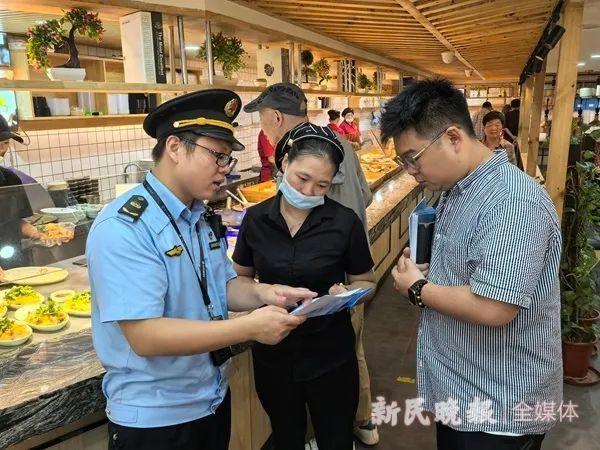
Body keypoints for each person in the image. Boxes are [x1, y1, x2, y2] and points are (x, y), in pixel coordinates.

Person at [87, 89, 316, 450]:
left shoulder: (196, 216)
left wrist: (264, 293)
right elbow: (145, 336)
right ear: (175, 147)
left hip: (208, 401)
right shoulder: (125, 226)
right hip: (156, 419)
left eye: (228, 159)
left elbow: (221, 286)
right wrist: (248, 328)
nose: (226, 170)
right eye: (218, 157)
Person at [381, 79, 562, 450]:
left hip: (498, 410)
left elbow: (494, 307)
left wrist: (418, 288)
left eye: (413, 157)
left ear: (452, 137)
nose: (411, 170)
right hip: (466, 394)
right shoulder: (458, 188)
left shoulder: (512, 202)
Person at [243, 83, 378, 446]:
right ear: (284, 162)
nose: (307, 192)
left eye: (321, 185)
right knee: (286, 435)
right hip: (274, 355)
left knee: (334, 436)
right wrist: (260, 294)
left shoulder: (343, 221)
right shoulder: (256, 220)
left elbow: (367, 279)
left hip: (330, 355)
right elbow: (239, 281)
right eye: (301, 179)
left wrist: (349, 293)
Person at [0, 116, 45, 271]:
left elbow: (16, 222)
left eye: (5, 143)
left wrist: (38, 233)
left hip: (12, 261)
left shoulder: (10, 179)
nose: (2, 149)